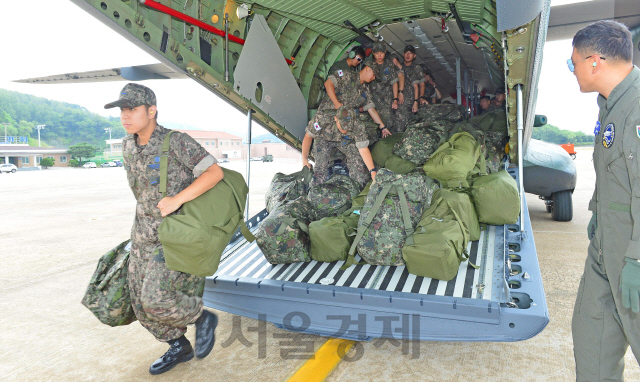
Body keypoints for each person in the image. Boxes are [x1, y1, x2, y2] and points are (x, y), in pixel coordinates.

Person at [105, 83, 223, 375]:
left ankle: (202, 317)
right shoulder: (127, 144)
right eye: (122, 109)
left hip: (175, 235)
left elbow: (215, 172)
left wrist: (178, 200)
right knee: (139, 303)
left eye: (131, 109)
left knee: (156, 299)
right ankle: (178, 345)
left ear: (151, 110)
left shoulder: (176, 141)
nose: (125, 115)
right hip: (142, 234)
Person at [568, 20, 640, 381]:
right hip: (606, 247)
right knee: (591, 335)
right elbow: (611, 168)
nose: (573, 70)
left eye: (574, 62)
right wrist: (598, 210)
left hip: (633, 252)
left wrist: (637, 258)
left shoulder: (638, 109)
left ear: (594, 62)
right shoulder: (611, 106)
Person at [302, 65, 388, 186]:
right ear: (336, 119)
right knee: (319, 172)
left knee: (360, 172)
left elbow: (363, 148)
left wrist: (373, 171)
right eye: (373, 75)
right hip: (324, 138)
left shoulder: (356, 124)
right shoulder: (322, 119)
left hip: (345, 140)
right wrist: (305, 160)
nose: (373, 78)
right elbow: (308, 136)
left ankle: (354, 189)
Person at [369, 42, 403, 132]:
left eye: (381, 53)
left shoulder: (389, 65)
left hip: (386, 104)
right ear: (373, 53)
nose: (379, 55)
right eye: (376, 53)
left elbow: (394, 83)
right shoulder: (369, 66)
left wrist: (395, 100)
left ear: (385, 52)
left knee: (388, 126)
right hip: (372, 103)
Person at [395, 45, 425, 133]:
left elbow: (421, 85)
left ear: (414, 56)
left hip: (412, 102)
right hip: (400, 102)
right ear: (403, 54)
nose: (408, 55)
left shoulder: (417, 68)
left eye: (410, 53)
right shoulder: (399, 67)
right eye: (406, 53)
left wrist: (420, 98)